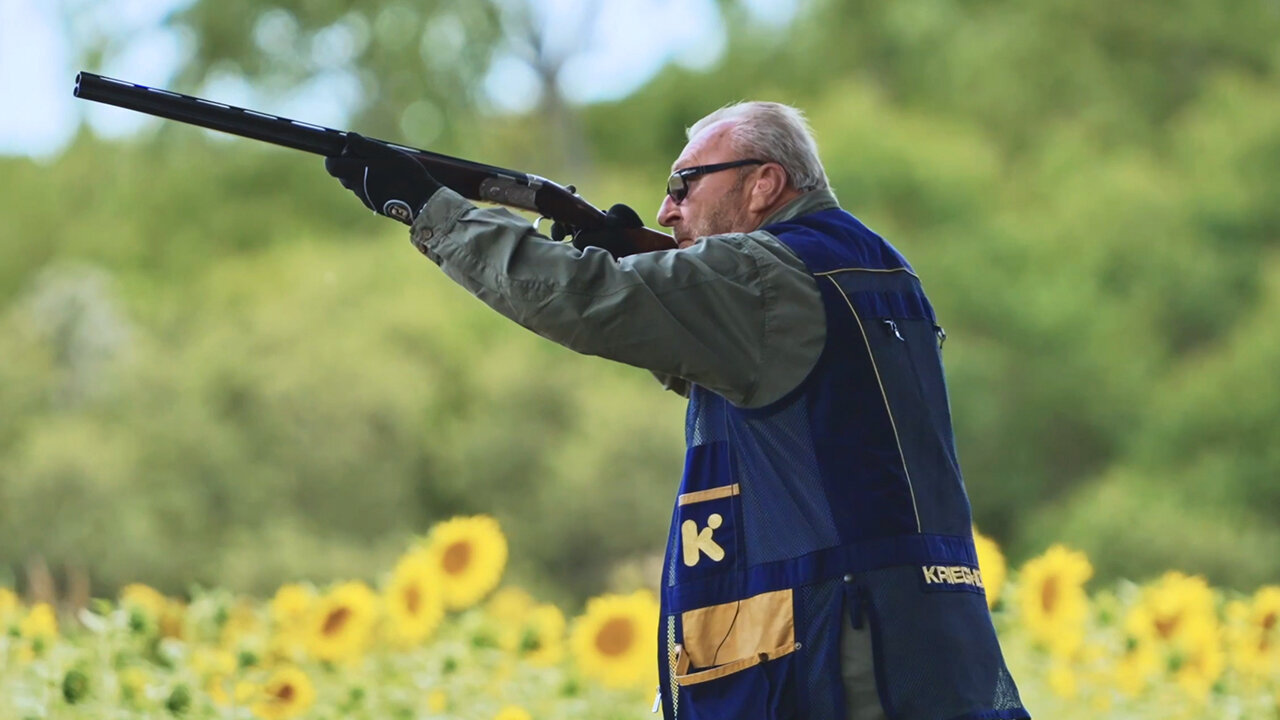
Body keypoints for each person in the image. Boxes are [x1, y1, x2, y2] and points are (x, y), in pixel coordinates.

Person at [324, 102, 1030, 720]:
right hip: (924, 637)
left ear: (764, 184)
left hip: (829, 648)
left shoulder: (764, 270)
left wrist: (430, 209)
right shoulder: (875, 266)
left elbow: (578, 298)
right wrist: (647, 272)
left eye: (685, 185)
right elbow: (794, 403)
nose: (667, 210)